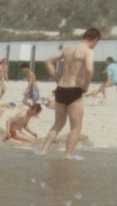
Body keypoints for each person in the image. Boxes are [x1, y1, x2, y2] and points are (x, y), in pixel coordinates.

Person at [41, 27, 101, 158]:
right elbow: (90, 70)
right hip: (74, 89)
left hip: (61, 88)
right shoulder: (88, 51)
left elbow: (48, 61)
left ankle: (43, 151)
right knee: (75, 127)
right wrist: (85, 86)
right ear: (95, 40)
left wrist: (57, 78)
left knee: (58, 124)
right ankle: (67, 156)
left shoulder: (67, 49)